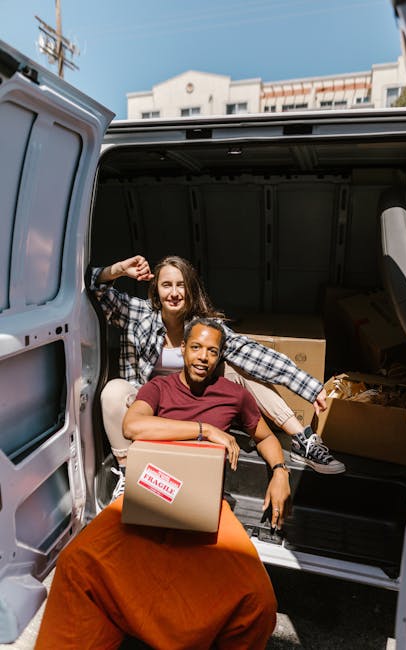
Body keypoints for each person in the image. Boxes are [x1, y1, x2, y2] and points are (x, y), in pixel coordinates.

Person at [35, 319, 288, 650]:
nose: (202, 357)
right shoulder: (159, 388)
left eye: (212, 351)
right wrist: (204, 430)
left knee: (259, 600)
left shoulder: (234, 395)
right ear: (182, 349)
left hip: (206, 501)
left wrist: (280, 471)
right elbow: (133, 425)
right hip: (151, 491)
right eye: (196, 347)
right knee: (77, 564)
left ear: (220, 357)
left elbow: (266, 436)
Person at [89, 254, 345, 499]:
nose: (174, 293)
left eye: (181, 285)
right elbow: (92, 287)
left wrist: (308, 386)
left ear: (190, 290)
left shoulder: (204, 328)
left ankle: (302, 440)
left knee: (243, 367)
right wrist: (119, 270)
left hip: (195, 403)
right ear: (156, 290)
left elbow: (253, 353)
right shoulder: (138, 314)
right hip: (150, 405)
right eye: (166, 285)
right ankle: (127, 471)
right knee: (112, 391)